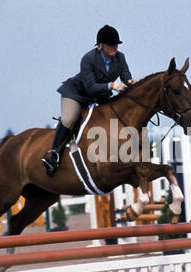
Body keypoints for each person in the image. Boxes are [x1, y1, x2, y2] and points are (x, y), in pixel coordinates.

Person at [42, 25, 136, 176]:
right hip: (77, 94)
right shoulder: (88, 59)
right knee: (69, 119)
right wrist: (111, 85)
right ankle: (54, 154)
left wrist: (132, 83)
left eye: (116, 44)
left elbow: (126, 77)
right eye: (111, 44)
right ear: (101, 45)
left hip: (99, 96)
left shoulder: (120, 57)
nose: (114, 47)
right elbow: (90, 87)